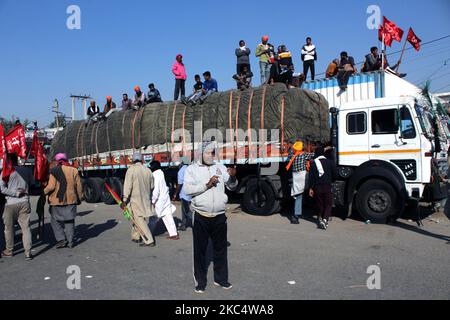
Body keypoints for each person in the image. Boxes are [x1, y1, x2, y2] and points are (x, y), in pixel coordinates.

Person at [184, 142, 238, 294]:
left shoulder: (220, 167)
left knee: (220, 250)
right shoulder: (192, 169)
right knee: (200, 251)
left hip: (220, 215)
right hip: (201, 215)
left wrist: (233, 177)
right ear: (201, 153)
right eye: (208, 153)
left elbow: (232, 186)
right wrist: (206, 185)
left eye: (213, 153)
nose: (211, 155)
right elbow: (187, 190)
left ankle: (221, 279)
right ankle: (200, 282)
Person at [44, 153, 83, 249]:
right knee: (69, 221)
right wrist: (79, 197)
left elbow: (51, 186)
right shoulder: (74, 170)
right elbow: (78, 186)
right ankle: (70, 242)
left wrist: (44, 192)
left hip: (57, 200)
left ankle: (61, 239)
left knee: (55, 220)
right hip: (71, 199)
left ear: (57, 161)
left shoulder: (54, 170)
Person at [1, 154, 34, 260]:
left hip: (10, 203)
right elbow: (33, 183)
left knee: (9, 228)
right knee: (26, 228)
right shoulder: (27, 170)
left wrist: (14, 193)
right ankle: (28, 252)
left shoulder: (5, 172)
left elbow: (1, 188)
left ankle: (9, 250)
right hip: (24, 201)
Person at [123, 152, 155, 246]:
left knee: (139, 219)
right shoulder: (148, 170)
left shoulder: (131, 170)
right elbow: (152, 186)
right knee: (137, 218)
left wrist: (124, 200)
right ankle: (136, 236)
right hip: (145, 198)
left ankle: (149, 240)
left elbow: (127, 186)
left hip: (135, 199)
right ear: (141, 160)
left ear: (133, 160)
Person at [308, 146, 336, 230]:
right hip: (327, 185)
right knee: (328, 204)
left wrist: (310, 188)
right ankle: (325, 220)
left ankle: (321, 217)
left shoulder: (313, 163)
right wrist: (332, 180)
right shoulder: (330, 162)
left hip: (317, 187)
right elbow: (335, 174)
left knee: (320, 203)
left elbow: (311, 177)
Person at [150, 161, 179, 240]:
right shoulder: (163, 173)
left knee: (153, 217)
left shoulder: (155, 175)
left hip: (159, 200)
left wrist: (153, 201)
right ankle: (174, 234)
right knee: (168, 216)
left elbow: (156, 190)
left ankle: (148, 234)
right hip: (165, 198)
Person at [288, 142, 314, 224]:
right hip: (302, 177)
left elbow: (289, 154)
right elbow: (312, 155)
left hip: (295, 177)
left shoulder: (292, 156)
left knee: (298, 195)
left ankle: (297, 214)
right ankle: (295, 215)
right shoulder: (304, 155)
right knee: (300, 196)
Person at [172, 157, 193, 231]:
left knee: (187, 211)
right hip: (190, 193)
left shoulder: (181, 171)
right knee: (184, 209)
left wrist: (175, 194)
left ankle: (197, 222)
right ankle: (183, 225)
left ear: (182, 163)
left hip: (184, 194)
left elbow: (179, 184)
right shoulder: (190, 169)